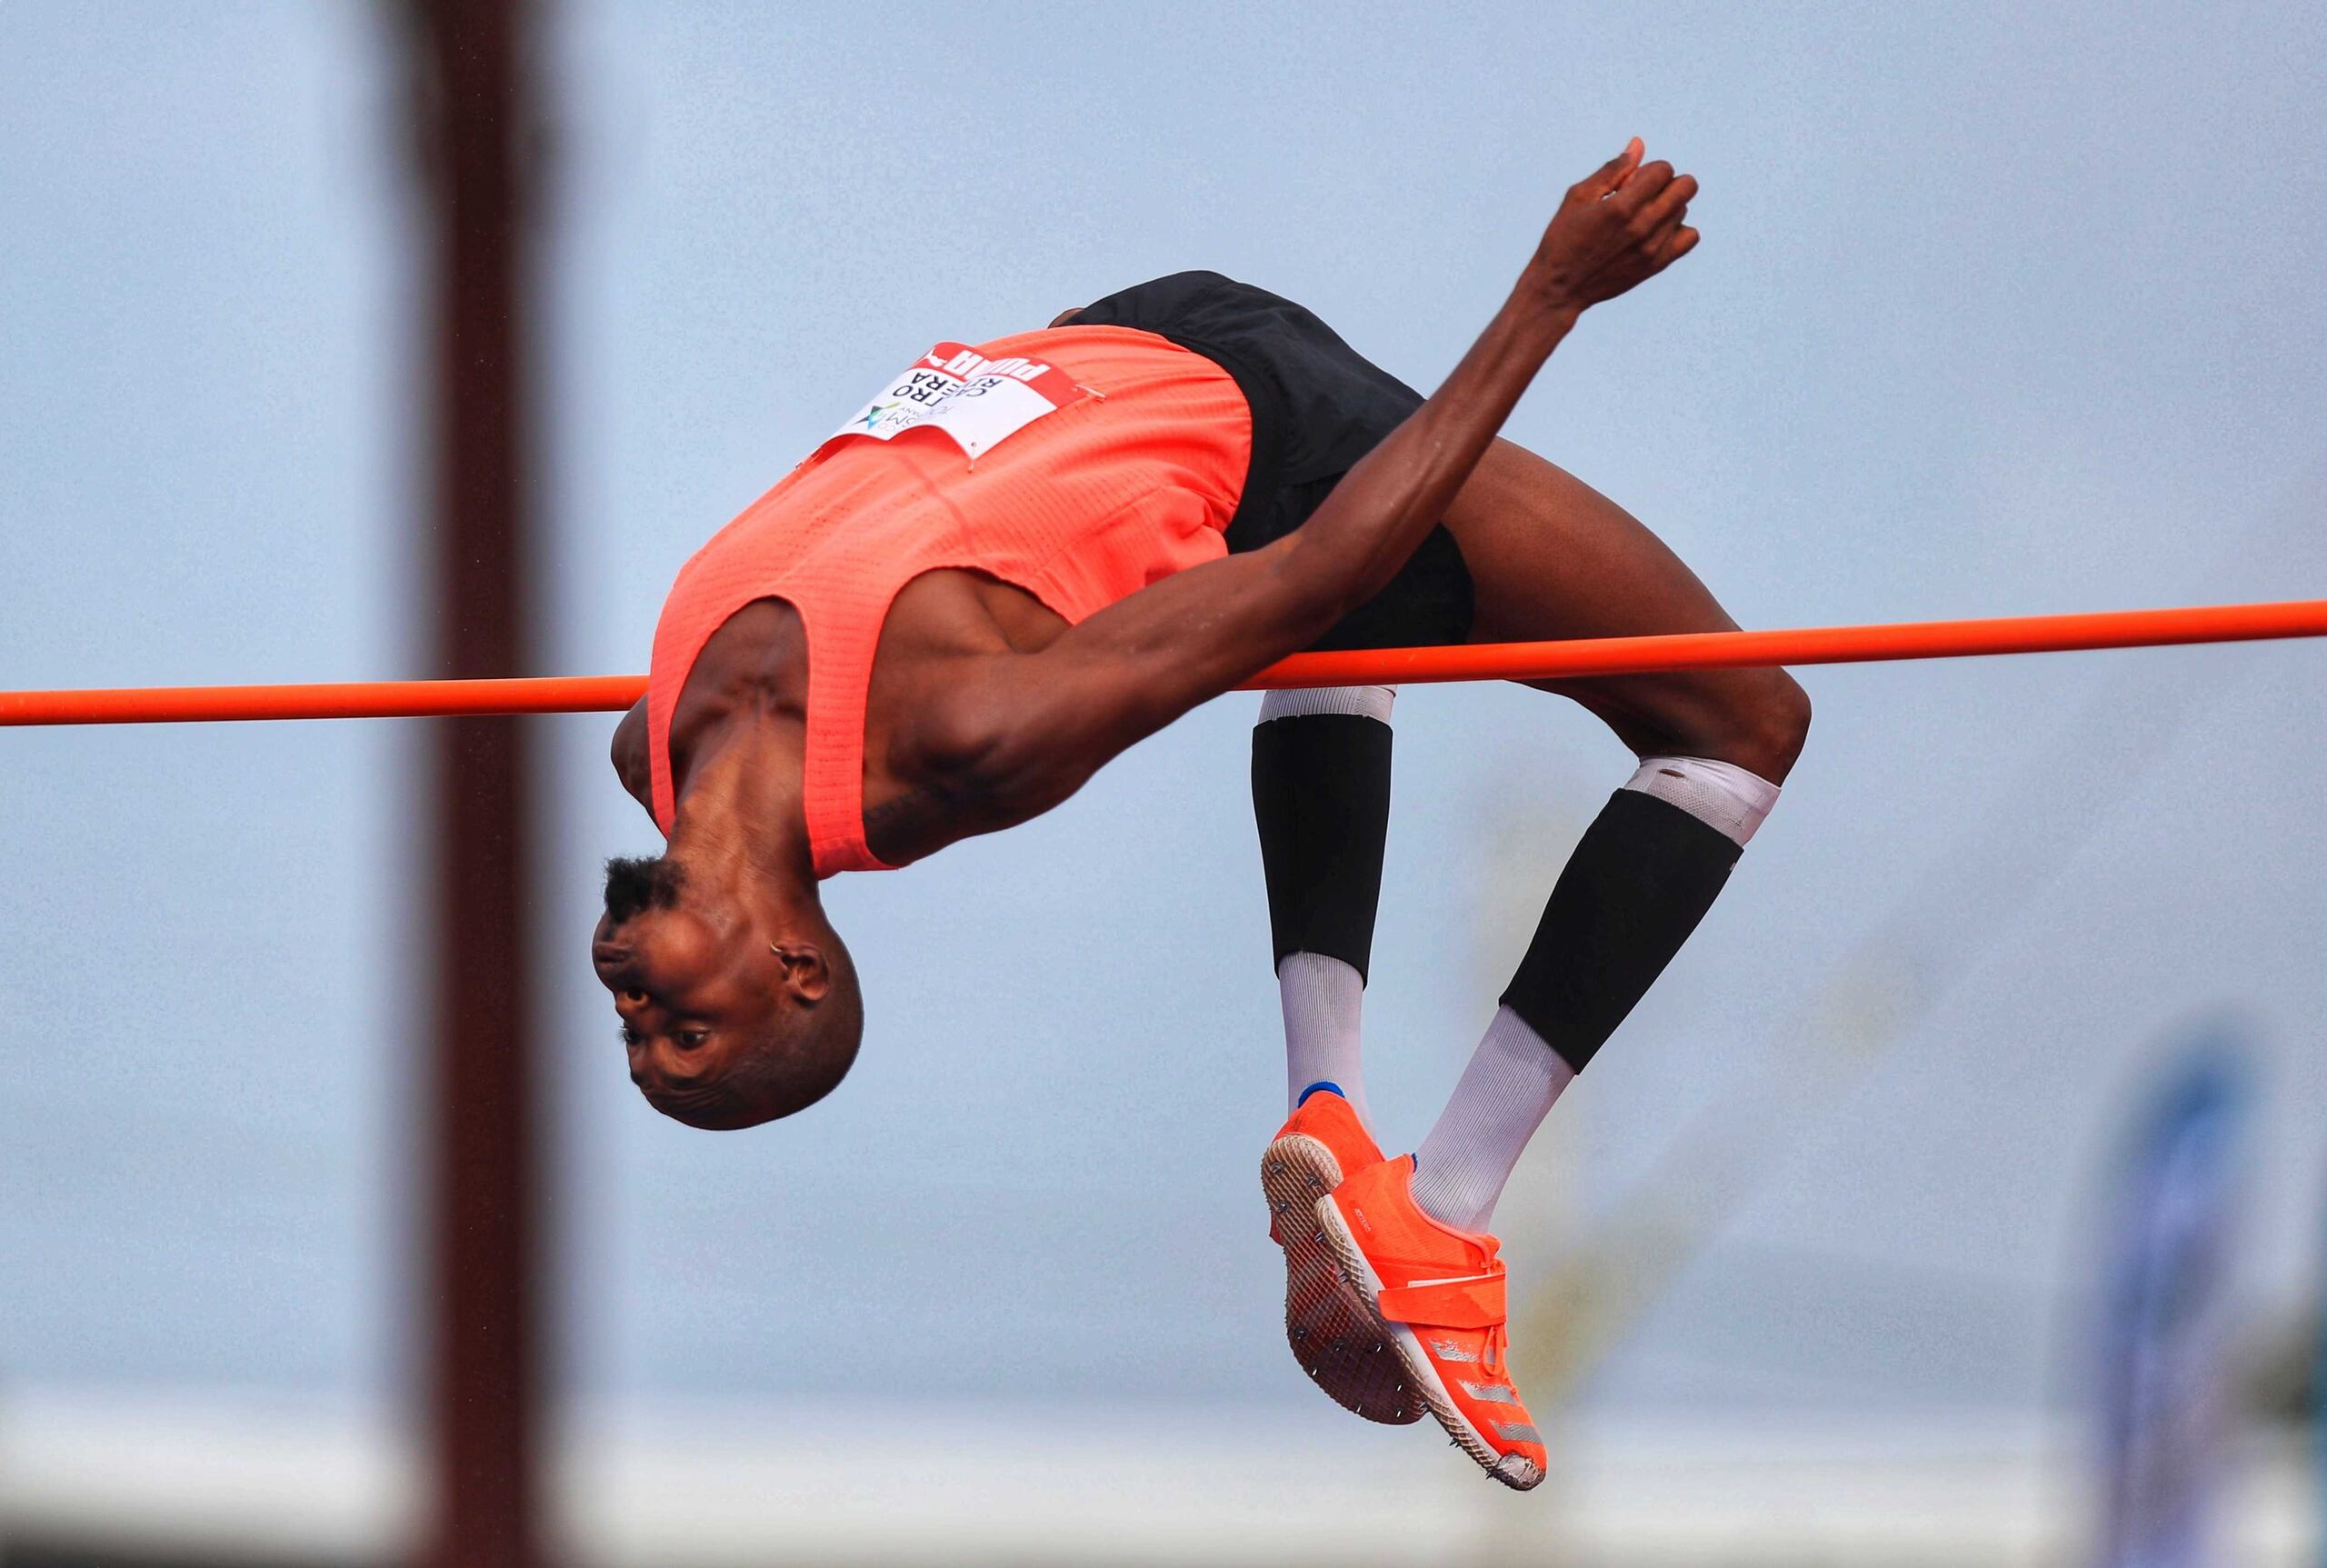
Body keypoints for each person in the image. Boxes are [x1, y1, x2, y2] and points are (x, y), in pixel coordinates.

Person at [594, 140, 1809, 1488]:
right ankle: (1446, 1206)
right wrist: (1551, 293)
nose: (638, 1023)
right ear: (794, 965)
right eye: (685, 1033)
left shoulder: (656, 737)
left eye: (642, 1034)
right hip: (1275, 448)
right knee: (1742, 722)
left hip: (1120, 341)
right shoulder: (967, 741)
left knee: (1334, 638)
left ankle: (1330, 1117)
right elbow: (1323, 562)